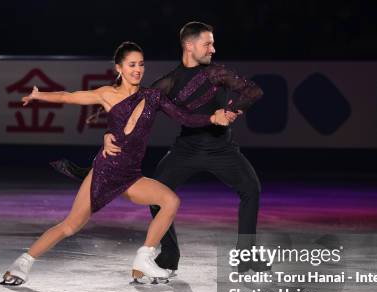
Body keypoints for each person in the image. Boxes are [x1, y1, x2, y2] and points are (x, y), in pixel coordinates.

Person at [0, 41, 235, 286]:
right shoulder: (107, 94)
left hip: (131, 176)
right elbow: (69, 97)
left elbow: (183, 116)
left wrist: (212, 117)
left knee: (171, 201)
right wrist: (39, 95)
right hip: (105, 171)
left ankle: (143, 260)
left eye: (141, 64)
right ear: (119, 68)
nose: (137, 69)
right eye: (132, 64)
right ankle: (22, 264)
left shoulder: (153, 97)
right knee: (70, 225)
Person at [55, 22, 263, 275]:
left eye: (213, 43)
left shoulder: (217, 73)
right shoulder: (169, 82)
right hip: (185, 150)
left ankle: (246, 257)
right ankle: (169, 255)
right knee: (157, 196)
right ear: (189, 45)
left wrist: (230, 111)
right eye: (207, 43)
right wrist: (109, 131)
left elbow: (253, 91)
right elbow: (131, 106)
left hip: (222, 150)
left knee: (251, 189)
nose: (213, 49)